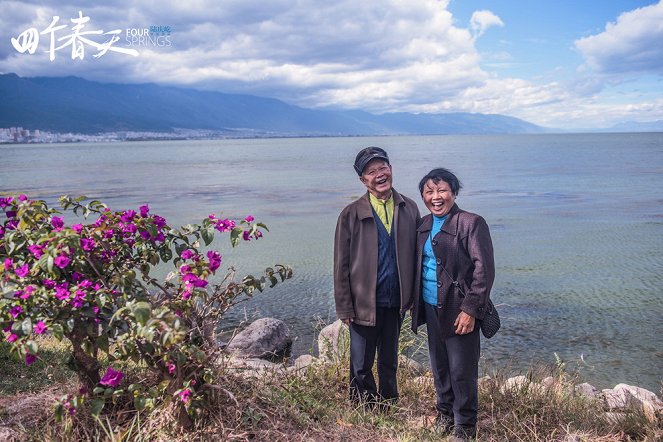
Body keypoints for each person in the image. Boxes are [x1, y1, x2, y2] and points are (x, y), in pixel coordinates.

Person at [411, 168, 495, 441]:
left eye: (442, 190)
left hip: (459, 310)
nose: (436, 197)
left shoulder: (470, 223)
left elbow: (484, 270)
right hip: (431, 308)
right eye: (429, 191)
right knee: (440, 368)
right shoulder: (422, 225)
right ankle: (445, 416)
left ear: (454, 192)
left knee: (462, 370)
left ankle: (465, 426)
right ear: (423, 196)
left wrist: (471, 310)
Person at [333, 146, 420, 406]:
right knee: (360, 362)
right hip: (362, 303)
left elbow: (417, 257)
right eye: (371, 171)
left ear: (391, 170)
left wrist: (414, 297)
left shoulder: (409, 208)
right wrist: (344, 306)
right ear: (363, 180)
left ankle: (389, 403)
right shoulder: (351, 214)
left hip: (395, 301)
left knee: (389, 360)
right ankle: (363, 405)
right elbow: (341, 264)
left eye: (383, 168)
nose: (379, 174)